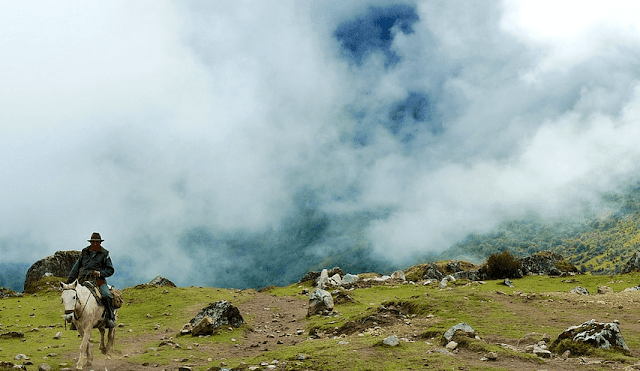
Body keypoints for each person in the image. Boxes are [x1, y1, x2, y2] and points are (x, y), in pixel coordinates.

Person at [67, 232, 116, 328]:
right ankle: (74, 321)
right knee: (73, 297)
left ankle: (110, 318)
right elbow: (75, 268)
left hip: (98, 282)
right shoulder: (84, 252)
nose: (95, 244)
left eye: (97, 242)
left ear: (100, 243)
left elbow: (110, 270)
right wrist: (68, 283)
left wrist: (100, 273)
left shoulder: (104, 254)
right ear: (91, 242)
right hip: (82, 281)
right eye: (93, 242)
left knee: (107, 295)